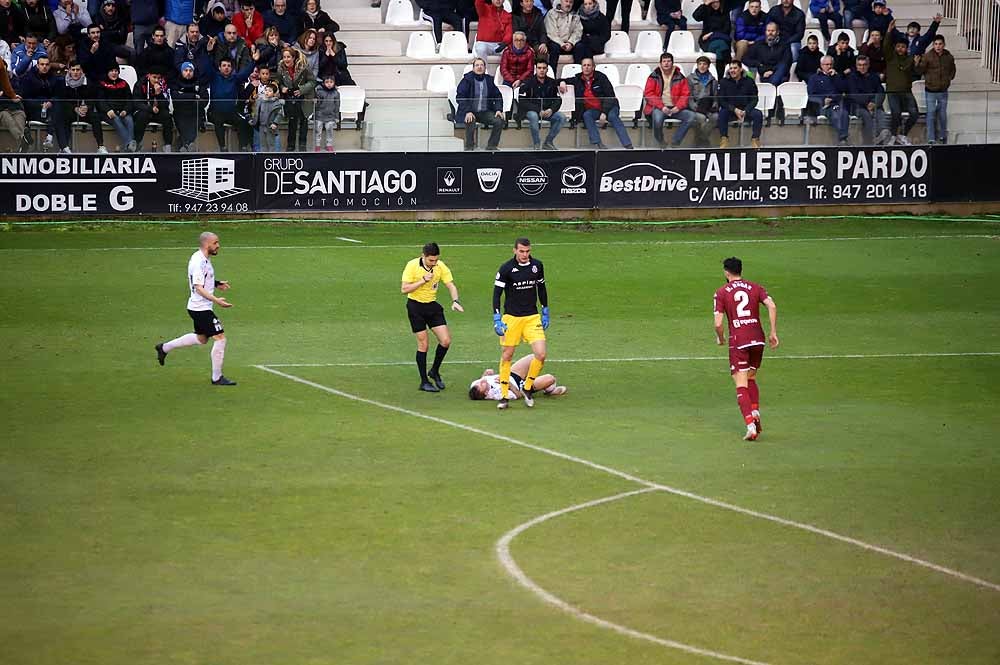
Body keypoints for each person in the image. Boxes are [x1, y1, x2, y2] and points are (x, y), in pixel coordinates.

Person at [156, 232, 237, 387]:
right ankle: (217, 378)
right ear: (207, 244)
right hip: (201, 309)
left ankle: (164, 348)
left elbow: (202, 280)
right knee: (220, 338)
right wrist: (217, 301)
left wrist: (216, 283)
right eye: (216, 243)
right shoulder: (198, 262)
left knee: (201, 339)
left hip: (197, 307)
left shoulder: (201, 259)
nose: (218, 245)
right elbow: (198, 288)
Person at [714, 257, 778, 441]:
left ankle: (750, 425)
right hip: (758, 339)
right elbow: (771, 305)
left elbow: (718, 323)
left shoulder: (721, 292)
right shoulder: (755, 287)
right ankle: (755, 411)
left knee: (740, 382)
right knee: (751, 377)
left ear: (726, 272)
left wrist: (721, 338)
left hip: (739, 341)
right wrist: (773, 332)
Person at [492, 237, 549, 410]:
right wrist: (497, 318)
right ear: (515, 250)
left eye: (527, 251)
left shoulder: (537, 266)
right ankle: (503, 396)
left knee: (541, 354)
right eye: (521, 251)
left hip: (532, 317)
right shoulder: (506, 268)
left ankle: (527, 387)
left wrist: (545, 309)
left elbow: (541, 288)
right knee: (507, 355)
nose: (525, 255)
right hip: (511, 318)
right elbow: (496, 294)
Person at [401, 242, 464, 393]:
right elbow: (404, 289)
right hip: (415, 307)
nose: (434, 263)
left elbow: (451, 285)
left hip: (432, 306)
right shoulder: (412, 266)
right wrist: (423, 280)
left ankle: (434, 371)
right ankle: (424, 381)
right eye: (431, 260)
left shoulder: (440, 266)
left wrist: (455, 301)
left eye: (436, 260)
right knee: (424, 345)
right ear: (423, 256)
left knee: (446, 341)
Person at [560, 55, 633, 149]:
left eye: (589, 65)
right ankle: (598, 143)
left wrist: (604, 112)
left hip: (610, 107)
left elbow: (610, 96)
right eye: (584, 65)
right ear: (581, 67)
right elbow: (558, 81)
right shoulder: (577, 79)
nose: (586, 67)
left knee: (612, 116)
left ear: (593, 67)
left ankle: (627, 145)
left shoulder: (601, 77)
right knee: (587, 115)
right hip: (594, 110)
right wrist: (562, 82)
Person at [643, 51, 695, 148]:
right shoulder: (654, 76)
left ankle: (675, 142)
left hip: (675, 108)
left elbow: (685, 94)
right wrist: (662, 107)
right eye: (664, 61)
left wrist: (678, 107)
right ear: (660, 63)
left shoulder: (680, 76)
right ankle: (661, 141)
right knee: (657, 120)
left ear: (672, 63)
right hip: (660, 108)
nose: (666, 63)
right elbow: (648, 94)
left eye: (669, 61)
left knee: (691, 116)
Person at [51, 59, 105, 152]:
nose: (75, 72)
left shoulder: (88, 82)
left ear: (82, 71)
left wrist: (87, 107)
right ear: (69, 70)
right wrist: (74, 108)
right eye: (73, 70)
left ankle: (101, 146)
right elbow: (61, 101)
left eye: (77, 70)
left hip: (85, 112)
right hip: (70, 111)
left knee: (95, 117)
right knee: (61, 117)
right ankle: (64, 147)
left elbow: (93, 99)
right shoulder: (62, 83)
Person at [469, 354, 567, 401]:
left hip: (513, 373)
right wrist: (509, 385)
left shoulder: (475, 385)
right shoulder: (497, 395)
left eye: (480, 382)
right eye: (482, 385)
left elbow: (483, 378)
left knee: (535, 357)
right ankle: (549, 391)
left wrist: (486, 374)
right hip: (522, 387)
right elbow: (519, 395)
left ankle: (533, 378)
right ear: (486, 393)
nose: (482, 381)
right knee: (550, 378)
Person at [455, 56, 504, 150]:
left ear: (485, 68)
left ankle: (491, 146)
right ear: (473, 68)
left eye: (482, 65)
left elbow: (497, 95)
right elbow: (461, 97)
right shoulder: (467, 80)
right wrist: (468, 111)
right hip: (470, 112)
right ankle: (469, 147)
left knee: (499, 121)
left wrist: (498, 109)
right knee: (470, 120)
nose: (479, 67)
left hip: (485, 112)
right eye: (477, 65)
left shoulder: (489, 80)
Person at [208, 55, 254, 150]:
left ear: (231, 68)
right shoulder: (214, 77)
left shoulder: (234, 78)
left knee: (242, 122)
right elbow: (207, 65)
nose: (226, 68)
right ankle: (223, 147)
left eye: (228, 66)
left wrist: (253, 61)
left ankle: (243, 147)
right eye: (224, 65)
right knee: (218, 121)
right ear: (219, 67)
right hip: (215, 112)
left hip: (231, 113)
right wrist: (209, 52)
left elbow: (245, 73)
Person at [915, 34, 954, 145]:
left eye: (940, 44)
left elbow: (952, 69)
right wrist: (917, 63)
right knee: (931, 114)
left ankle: (942, 136)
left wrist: (949, 78)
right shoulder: (927, 56)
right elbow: (920, 71)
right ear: (933, 45)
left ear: (944, 44)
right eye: (936, 44)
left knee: (942, 114)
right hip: (930, 90)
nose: (938, 46)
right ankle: (931, 138)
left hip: (943, 90)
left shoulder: (948, 56)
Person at [882, 21, 917, 144]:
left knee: (914, 114)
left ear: (906, 48)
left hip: (906, 91)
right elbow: (886, 45)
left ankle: (902, 134)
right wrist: (889, 31)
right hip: (892, 91)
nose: (900, 49)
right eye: (898, 46)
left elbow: (916, 72)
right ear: (895, 47)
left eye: (903, 47)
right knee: (896, 113)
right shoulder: (890, 57)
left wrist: (917, 64)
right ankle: (892, 135)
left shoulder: (910, 59)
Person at [516, 58, 563, 149]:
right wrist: (538, 110)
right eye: (539, 68)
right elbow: (522, 101)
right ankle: (536, 144)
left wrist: (551, 110)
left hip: (547, 111)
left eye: (544, 68)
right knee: (533, 116)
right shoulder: (527, 82)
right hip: (531, 111)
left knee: (561, 117)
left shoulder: (552, 82)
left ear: (547, 69)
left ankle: (548, 142)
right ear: (536, 69)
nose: (541, 70)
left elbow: (558, 99)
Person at [717, 59, 762, 148]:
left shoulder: (749, 81)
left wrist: (746, 110)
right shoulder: (723, 82)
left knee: (758, 114)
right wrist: (734, 109)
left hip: (746, 110)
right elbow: (721, 100)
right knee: (722, 113)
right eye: (731, 68)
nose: (732, 70)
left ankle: (755, 139)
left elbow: (754, 99)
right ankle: (724, 139)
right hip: (731, 110)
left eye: (735, 68)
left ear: (740, 69)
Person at [276, 46, 313, 151]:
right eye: (284, 57)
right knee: (292, 121)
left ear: (293, 57)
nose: (286, 59)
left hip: (303, 97)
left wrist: (302, 89)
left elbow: (312, 82)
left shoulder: (304, 67)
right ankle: (290, 145)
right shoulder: (281, 68)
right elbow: (279, 82)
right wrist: (282, 88)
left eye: (288, 57)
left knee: (303, 120)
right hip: (290, 97)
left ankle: (302, 145)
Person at [846, 54, 889, 144]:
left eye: (864, 65)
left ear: (868, 65)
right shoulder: (851, 77)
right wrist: (867, 104)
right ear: (856, 66)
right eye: (860, 65)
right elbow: (854, 95)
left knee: (880, 113)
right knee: (866, 116)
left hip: (873, 104)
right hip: (857, 106)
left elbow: (881, 92)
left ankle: (883, 134)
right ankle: (869, 142)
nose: (862, 67)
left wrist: (874, 103)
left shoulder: (874, 77)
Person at [807, 54, 849, 144]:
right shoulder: (814, 78)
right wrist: (823, 100)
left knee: (844, 113)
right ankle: (843, 139)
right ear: (821, 65)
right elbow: (811, 95)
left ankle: (843, 138)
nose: (829, 66)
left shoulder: (837, 77)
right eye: (826, 64)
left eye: (830, 64)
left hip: (835, 104)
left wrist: (836, 77)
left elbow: (843, 89)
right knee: (835, 114)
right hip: (822, 106)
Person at [16, 53, 56, 148]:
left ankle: (49, 138)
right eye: (42, 64)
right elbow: (24, 98)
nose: (44, 67)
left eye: (47, 65)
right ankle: (49, 137)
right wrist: (41, 104)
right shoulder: (28, 78)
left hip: (49, 108)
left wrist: (51, 102)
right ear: (37, 65)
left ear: (49, 66)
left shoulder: (54, 78)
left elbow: (57, 94)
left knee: (57, 110)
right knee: (52, 115)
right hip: (33, 110)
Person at [97, 63, 136, 150]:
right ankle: (130, 144)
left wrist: (126, 110)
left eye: (116, 71)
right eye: (111, 71)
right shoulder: (102, 83)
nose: (114, 73)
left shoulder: (124, 83)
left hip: (122, 111)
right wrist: (108, 110)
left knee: (129, 119)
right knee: (116, 120)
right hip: (108, 113)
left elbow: (130, 100)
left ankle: (129, 147)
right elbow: (100, 101)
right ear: (107, 72)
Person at [133, 70, 174, 151]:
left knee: (167, 116)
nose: (156, 80)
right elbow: (136, 103)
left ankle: (168, 145)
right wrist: (150, 109)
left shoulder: (163, 85)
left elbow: (166, 105)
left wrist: (159, 94)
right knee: (142, 116)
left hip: (158, 111)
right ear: (149, 75)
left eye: (158, 78)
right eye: (154, 77)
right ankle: (137, 143)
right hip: (144, 110)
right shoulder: (140, 84)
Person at [692, 0, 731, 78]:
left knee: (720, 49)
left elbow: (726, 30)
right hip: (707, 42)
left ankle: (720, 77)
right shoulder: (706, 11)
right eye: (713, 2)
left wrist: (712, 34)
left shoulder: (725, 13)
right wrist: (705, 4)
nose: (715, 4)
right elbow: (695, 16)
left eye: (717, 2)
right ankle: (730, 64)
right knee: (722, 45)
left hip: (719, 39)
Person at [685, 54, 717, 147]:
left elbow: (715, 96)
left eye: (704, 64)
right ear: (697, 65)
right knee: (701, 118)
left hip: (709, 107)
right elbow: (689, 96)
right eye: (700, 64)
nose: (702, 66)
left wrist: (714, 105)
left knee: (715, 117)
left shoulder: (713, 80)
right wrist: (694, 107)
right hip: (696, 107)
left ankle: (701, 139)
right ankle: (704, 142)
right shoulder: (690, 78)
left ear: (708, 66)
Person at [543, 0, 583, 69]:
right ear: (561, 1)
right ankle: (553, 76)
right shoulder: (552, 13)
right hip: (556, 42)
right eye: (566, 1)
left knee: (580, 47)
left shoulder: (575, 15)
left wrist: (571, 42)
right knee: (554, 47)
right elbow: (551, 33)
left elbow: (578, 32)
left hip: (569, 43)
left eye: (570, 2)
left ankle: (578, 74)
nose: (568, 4)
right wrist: (561, 44)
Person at [174, 23, 216, 88]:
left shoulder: (205, 42)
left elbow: (211, 61)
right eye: (192, 32)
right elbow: (178, 64)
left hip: (206, 82)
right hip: (189, 82)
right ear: (187, 33)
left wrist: (210, 51)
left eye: (197, 32)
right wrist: (190, 72)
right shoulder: (180, 46)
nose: (195, 34)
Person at [171, 60, 201, 150]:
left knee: (197, 118)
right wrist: (194, 96)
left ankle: (184, 145)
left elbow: (204, 99)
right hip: (180, 111)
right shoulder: (176, 82)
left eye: (190, 70)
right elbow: (175, 97)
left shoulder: (198, 82)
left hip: (194, 111)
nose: (188, 73)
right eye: (186, 70)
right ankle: (188, 144)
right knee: (181, 120)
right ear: (181, 71)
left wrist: (183, 96)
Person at [252, 79, 282, 149]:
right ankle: (263, 157)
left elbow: (280, 114)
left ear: (274, 93)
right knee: (262, 144)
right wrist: (254, 120)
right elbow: (257, 112)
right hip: (261, 126)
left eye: (270, 91)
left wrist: (275, 123)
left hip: (270, 126)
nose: (267, 92)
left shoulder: (276, 103)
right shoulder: (260, 101)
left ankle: (271, 157)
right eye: (266, 90)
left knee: (271, 144)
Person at [312, 73, 338, 152]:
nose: (329, 84)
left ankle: (329, 145)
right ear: (323, 83)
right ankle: (317, 145)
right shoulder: (319, 92)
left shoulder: (336, 93)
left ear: (334, 83)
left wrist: (337, 117)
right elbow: (316, 105)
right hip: (320, 115)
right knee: (318, 131)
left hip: (330, 116)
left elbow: (337, 106)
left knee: (329, 130)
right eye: (327, 82)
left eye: (331, 82)